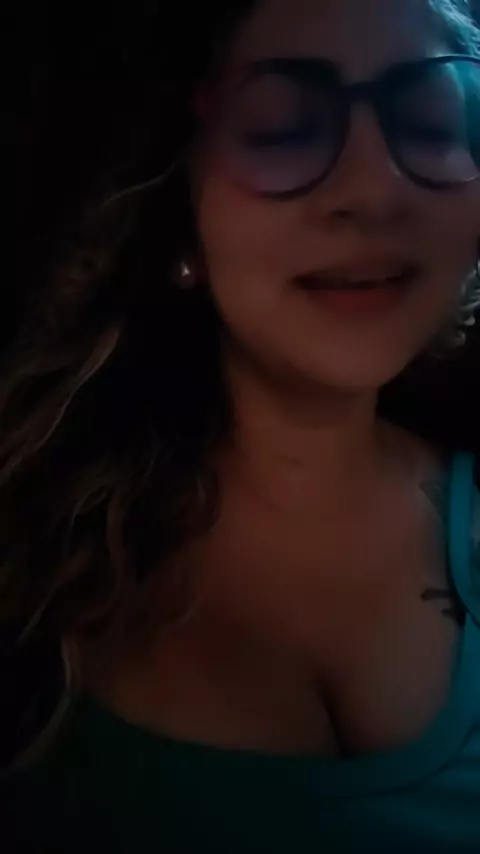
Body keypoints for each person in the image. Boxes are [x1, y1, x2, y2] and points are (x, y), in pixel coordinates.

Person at [3, 0, 480, 850]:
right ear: (180, 202)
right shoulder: (26, 554)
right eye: (285, 129)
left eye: (425, 121)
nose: (376, 189)